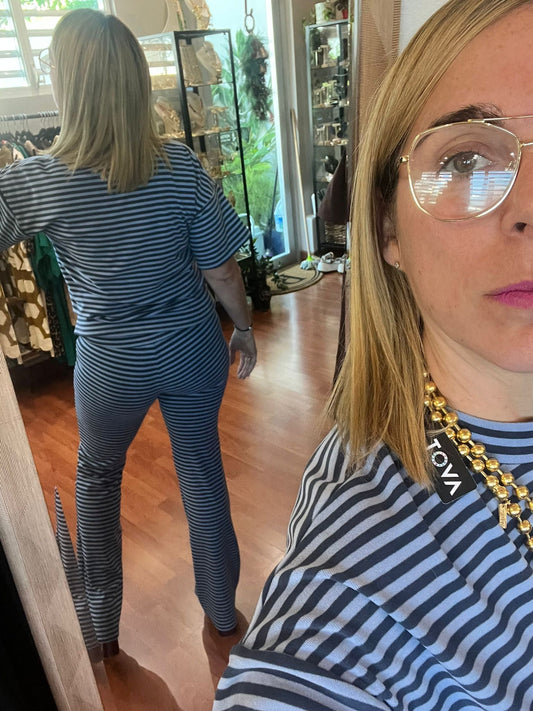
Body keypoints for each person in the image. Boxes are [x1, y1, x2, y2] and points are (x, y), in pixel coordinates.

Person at [214, 0, 533, 708]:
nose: (530, 208)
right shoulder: (358, 569)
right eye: (466, 159)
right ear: (387, 227)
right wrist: (241, 325)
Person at [0, 9, 257, 657]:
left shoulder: (40, 178)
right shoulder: (181, 166)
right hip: (190, 344)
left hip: (110, 363)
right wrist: (245, 328)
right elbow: (222, 270)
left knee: (97, 481)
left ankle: (101, 628)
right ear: (136, 82)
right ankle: (221, 611)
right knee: (201, 470)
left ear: (67, 83)